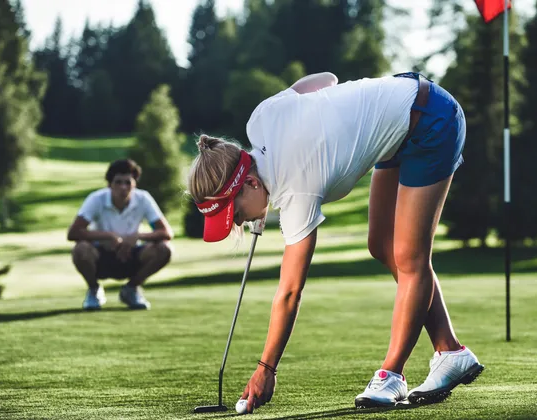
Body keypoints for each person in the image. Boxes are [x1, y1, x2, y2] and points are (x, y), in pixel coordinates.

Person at [188, 71, 484, 412]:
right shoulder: (262, 118)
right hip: (400, 111)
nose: (240, 222)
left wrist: (265, 369)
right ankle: (451, 352)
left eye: (235, 214)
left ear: (252, 184)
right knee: (382, 246)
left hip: (432, 120)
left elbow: (290, 292)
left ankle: (392, 375)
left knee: (409, 256)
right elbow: (326, 80)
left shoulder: (297, 188)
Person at [67, 159, 173, 310]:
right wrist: (109, 236)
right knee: (80, 249)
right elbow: (73, 233)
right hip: (101, 257)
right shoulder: (96, 199)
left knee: (165, 249)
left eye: (128, 182)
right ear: (109, 184)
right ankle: (94, 290)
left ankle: (131, 289)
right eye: (118, 182)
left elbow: (166, 232)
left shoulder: (143, 198)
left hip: (132, 256)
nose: (123, 187)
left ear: (134, 184)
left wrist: (137, 237)